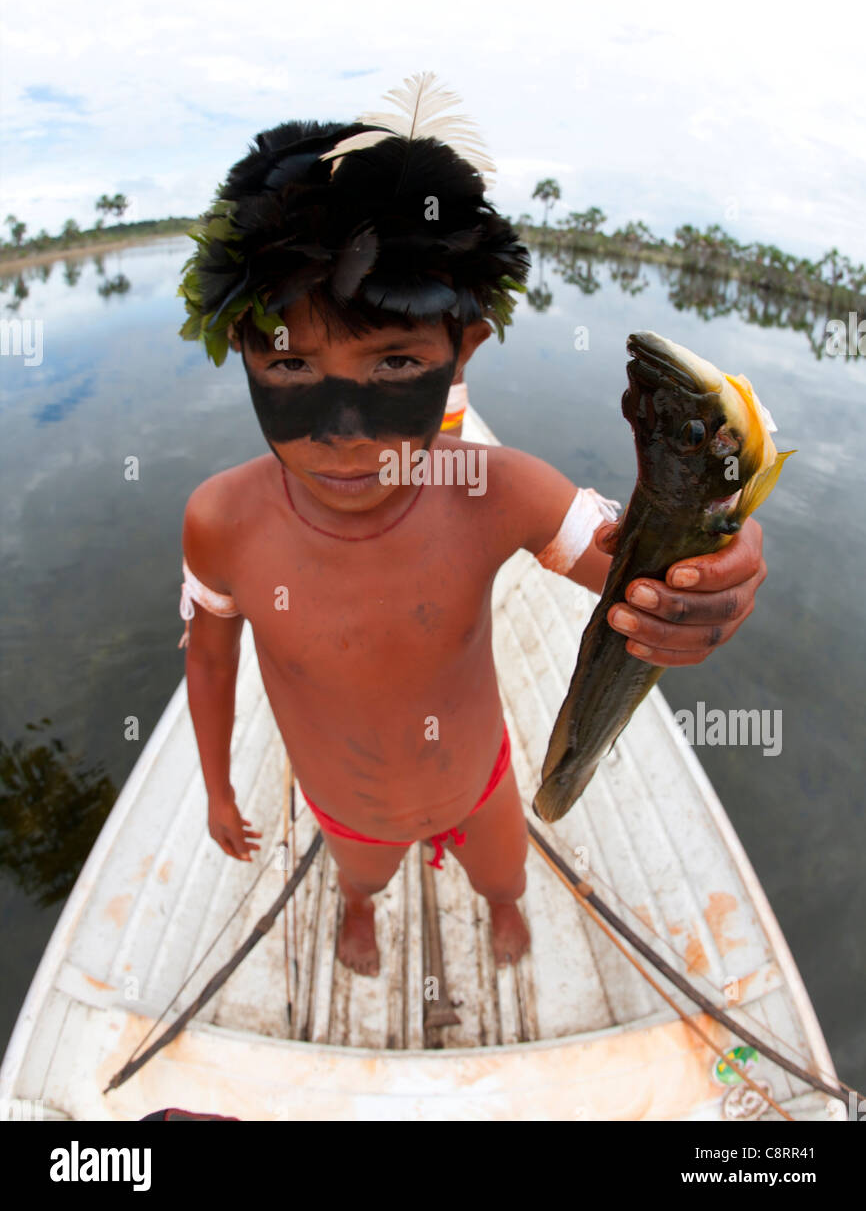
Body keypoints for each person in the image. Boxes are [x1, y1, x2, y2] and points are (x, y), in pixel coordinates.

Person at [176, 82, 768, 976]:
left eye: (397, 363)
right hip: (347, 808)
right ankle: (360, 911)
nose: (344, 430)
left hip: (480, 782)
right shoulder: (221, 522)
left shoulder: (490, 491)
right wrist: (219, 790)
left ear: (465, 353)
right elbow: (209, 656)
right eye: (293, 363)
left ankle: (503, 911)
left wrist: (712, 555)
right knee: (361, 879)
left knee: (506, 874)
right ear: (246, 355)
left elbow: (646, 553)